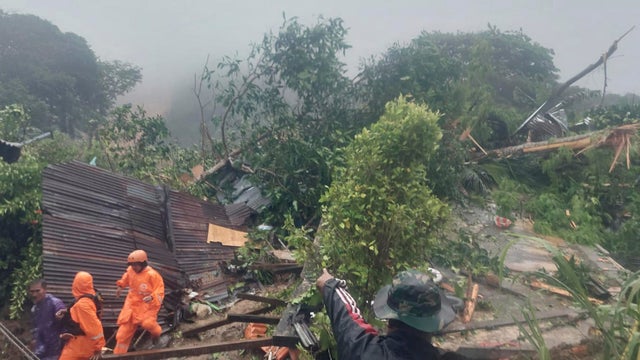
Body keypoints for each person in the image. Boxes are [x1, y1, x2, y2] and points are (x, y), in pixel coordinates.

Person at [316, 268, 468, 360]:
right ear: (434, 324)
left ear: (390, 319)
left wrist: (330, 285)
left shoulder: (363, 351)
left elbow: (347, 318)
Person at [113, 249, 165, 354]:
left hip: (147, 305)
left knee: (148, 324)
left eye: (135, 265)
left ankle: (156, 335)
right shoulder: (130, 270)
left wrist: (152, 297)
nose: (133, 267)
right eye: (132, 265)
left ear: (142, 263)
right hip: (131, 305)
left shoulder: (153, 275)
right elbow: (126, 278)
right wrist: (120, 285)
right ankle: (118, 356)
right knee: (121, 336)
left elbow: (160, 290)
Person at [58, 271, 105, 360]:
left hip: (81, 344)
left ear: (76, 284)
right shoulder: (91, 297)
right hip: (83, 342)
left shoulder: (82, 305)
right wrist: (67, 312)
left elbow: (94, 328)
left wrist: (98, 348)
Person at [29, 278, 66, 360]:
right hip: (40, 352)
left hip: (55, 352)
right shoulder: (34, 308)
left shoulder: (55, 304)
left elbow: (66, 323)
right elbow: (35, 327)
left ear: (45, 289)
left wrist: (61, 317)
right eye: (32, 291)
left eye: (37, 291)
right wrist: (34, 339)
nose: (34, 294)